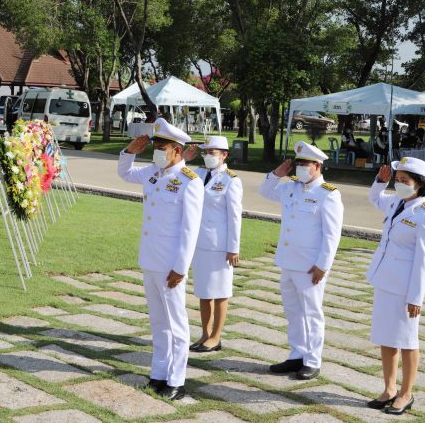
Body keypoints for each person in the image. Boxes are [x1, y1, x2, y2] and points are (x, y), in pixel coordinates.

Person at [117, 118, 204, 400]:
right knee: (157, 322)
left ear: (177, 150)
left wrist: (180, 267)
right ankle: (158, 373)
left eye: (162, 146)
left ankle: (176, 379)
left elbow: (190, 231)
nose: (156, 150)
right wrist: (130, 150)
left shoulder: (189, 182)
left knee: (176, 324)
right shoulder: (153, 173)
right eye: (155, 145)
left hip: (170, 265)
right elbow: (125, 174)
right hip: (150, 260)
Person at [258, 141, 344, 380]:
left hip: (310, 265)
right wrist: (277, 174)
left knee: (312, 313)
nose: (300, 168)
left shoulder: (328, 194)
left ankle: (313, 360)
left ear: (317, 165)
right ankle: (297, 354)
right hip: (288, 261)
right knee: (293, 311)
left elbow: (332, 234)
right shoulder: (291, 187)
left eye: (305, 164)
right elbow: (265, 192)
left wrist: (323, 265)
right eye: (298, 164)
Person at [366, 157, 425, 415]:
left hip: (406, 288)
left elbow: (424, 260)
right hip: (385, 280)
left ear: (419, 185)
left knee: (407, 341)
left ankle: (406, 393)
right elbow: (375, 199)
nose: (400, 185)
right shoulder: (397, 202)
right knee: (386, 337)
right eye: (398, 180)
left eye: (405, 181)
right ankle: (389, 389)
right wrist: (380, 182)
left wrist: (416, 297)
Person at [182, 136, 243, 353]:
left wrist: (233, 247)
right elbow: (178, 176)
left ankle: (216, 336)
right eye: (206, 152)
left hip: (219, 245)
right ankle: (205, 334)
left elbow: (235, 216)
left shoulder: (231, 180)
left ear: (224, 155)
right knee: (204, 292)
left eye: (213, 152)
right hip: (199, 242)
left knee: (220, 292)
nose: (208, 156)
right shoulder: (197, 174)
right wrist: (183, 158)